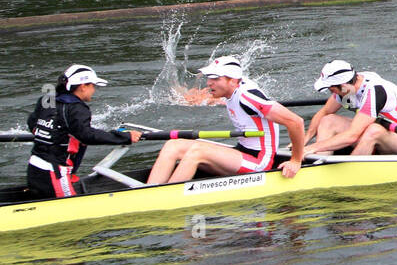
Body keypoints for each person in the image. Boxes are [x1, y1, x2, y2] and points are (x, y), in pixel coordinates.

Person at [147, 56, 305, 183]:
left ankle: (168, 196)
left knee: (197, 152)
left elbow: (296, 122)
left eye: (215, 78)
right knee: (173, 145)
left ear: (232, 80)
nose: (209, 82)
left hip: (259, 162)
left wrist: (296, 160)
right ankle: (149, 192)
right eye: (209, 77)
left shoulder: (248, 98)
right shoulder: (232, 90)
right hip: (242, 152)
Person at [26, 64, 142, 199]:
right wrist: (125, 137)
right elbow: (87, 135)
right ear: (83, 86)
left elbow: (33, 124)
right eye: (93, 86)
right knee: (69, 211)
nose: (94, 90)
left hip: (34, 166)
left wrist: (56, 136)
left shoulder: (47, 100)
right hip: (55, 172)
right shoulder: (77, 108)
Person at [305, 61, 397, 156]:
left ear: (344, 85)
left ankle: (350, 173)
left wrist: (312, 147)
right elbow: (325, 112)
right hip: (377, 134)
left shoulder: (375, 91)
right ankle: (318, 161)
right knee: (328, 120)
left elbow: (352, 135)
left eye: (331, 89)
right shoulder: (349, 86)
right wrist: (304, 142)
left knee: (373, 130)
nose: (331, 93)